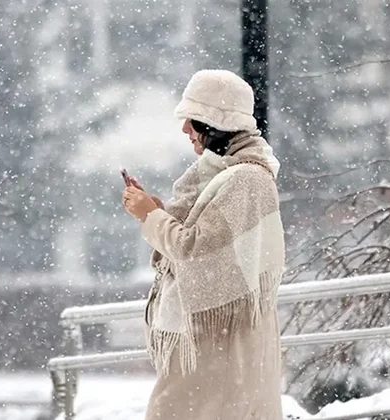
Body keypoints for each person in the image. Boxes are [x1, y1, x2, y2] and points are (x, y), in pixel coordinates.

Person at [122, 69, 286, 420]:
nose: (185, 131)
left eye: (193, 122)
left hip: (221, 350)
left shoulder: (245, 180)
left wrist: (151, 217)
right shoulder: (224, 175)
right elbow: (210, 245)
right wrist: (157, 212)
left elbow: (195, 250)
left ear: (215, 125)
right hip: (215, 347)